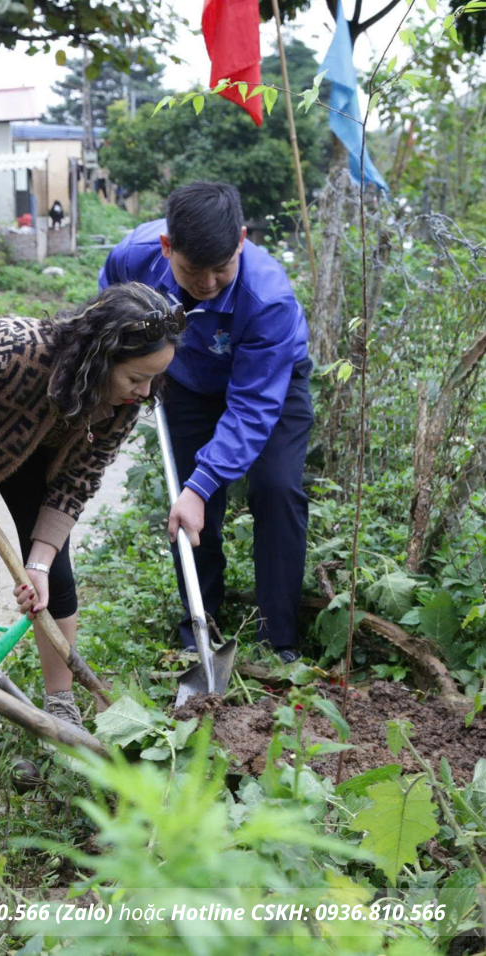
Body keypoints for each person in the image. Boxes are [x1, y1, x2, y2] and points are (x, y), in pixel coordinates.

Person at [0, 283, 181, 762]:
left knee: (56, 578)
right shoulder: (13, 351)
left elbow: (79, 479)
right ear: (99, 359)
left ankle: (61, 705)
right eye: (137, 377)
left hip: (36, 452)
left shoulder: (126, 401)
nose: (145, 391)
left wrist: (39, 563)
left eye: (154, 378)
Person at [99, 181, 312, 663]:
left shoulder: (269, 299)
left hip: (270, 382)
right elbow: (109, 309)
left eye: (222, 268)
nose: (209, 283)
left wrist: (205, 480)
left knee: (276, 488)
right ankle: (200, 623)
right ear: (167, 247)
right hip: (187, 380)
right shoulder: (133, 258)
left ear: (241, 240)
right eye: (194, 271)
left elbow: (252, 406)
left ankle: (277, 639)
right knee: (191, 505)